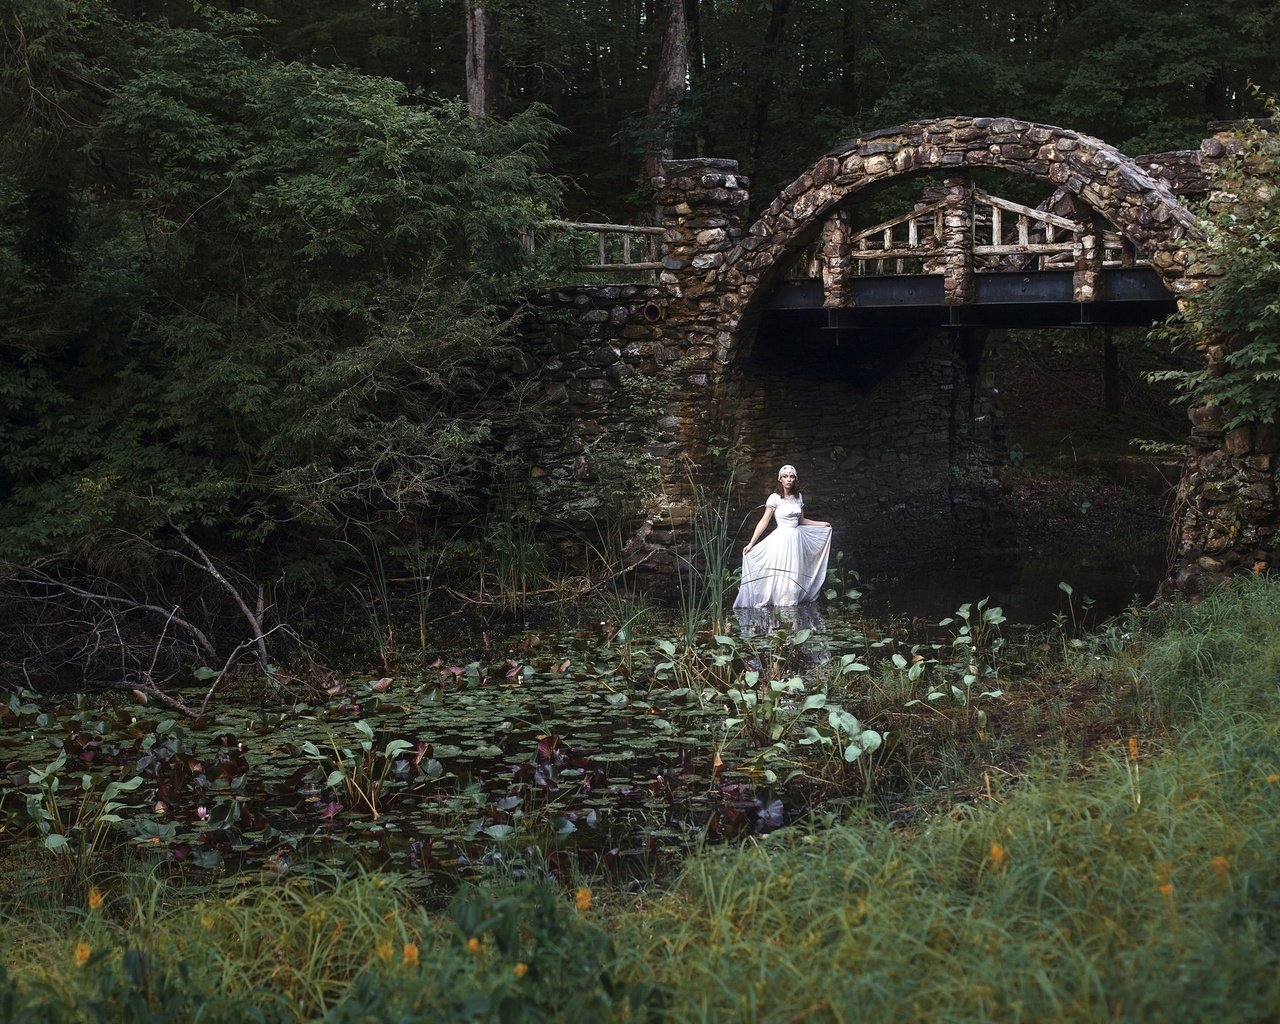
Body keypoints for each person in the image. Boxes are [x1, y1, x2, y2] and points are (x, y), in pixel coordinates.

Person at [733, 465, 833, 608]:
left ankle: (791, 607)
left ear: (795, 479)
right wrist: (751, 543)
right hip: (781, 540)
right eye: (785, 476)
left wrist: (822, 524)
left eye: (792, 476)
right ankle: (782, 606)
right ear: (780, 479)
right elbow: (764, 521)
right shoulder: (775, 498)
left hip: (796, 540)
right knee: (782, 573)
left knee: (794, 574)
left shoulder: (798, 497)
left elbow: (801, 521)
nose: (789, 479)